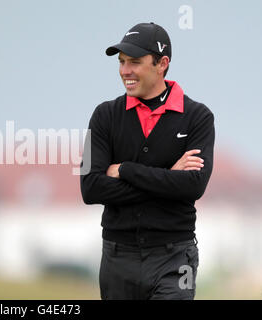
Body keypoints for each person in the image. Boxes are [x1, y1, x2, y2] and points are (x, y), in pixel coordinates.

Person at [80, 22, 215, 300]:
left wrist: (126, 170)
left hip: (176, 259)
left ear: (162, 63)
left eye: (135, 62)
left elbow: (193, 186)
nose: (125, 71)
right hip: (117, 260)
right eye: (121, 62)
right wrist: (168, 176)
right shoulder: (104, 115)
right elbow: (91, 187)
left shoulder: (198, 117)